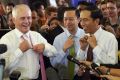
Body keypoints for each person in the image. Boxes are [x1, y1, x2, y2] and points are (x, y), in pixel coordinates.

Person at [0, 4, 57, 80]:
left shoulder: (36, 35)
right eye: (22, 18)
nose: (27, 21)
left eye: (29, 18)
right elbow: (2, 69)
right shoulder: (6, 39)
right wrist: (19, 51)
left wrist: (44, 47)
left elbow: (54, 52)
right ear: (14, 20)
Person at [77, 3, 118, 80]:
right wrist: (82, 49)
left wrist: (95, 47)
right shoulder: (84, 36)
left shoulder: (109, 38)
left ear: (96, 21)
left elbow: (113, 63)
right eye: (81, 20)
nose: (81, 24)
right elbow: (79, 62)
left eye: (85, 20)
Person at [50, 7, 85, 80]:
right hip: (63, 77)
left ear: (78, 20)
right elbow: (53, 63)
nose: (68, 22)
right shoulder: (58, 39)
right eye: (65, 19)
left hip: (83, 76)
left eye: (71, 19)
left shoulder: (86, 35)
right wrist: (63, 49)